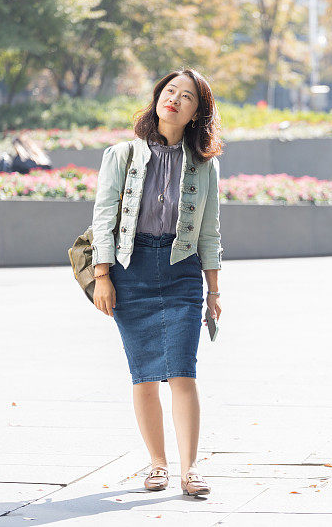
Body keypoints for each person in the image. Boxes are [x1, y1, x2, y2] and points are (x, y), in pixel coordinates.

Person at [89, 69, 224, 497]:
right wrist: (102, 277)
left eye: (186, 97)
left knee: (183, 372)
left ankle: (191, 470)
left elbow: (210, 231)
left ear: (197, 112)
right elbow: (104, 217)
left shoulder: (205, 165)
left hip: (182, 269)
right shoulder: (121, 155)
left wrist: (214, 290)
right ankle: (157, 465)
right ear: (157, 98)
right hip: (131, 270)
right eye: (170, 91)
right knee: (144, 374)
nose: (175, 100)